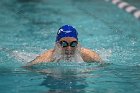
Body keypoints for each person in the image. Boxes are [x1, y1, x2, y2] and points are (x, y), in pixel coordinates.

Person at [27, 25, 102, 66]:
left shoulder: (88, 55)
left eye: (73, 44)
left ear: (78, 44)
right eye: (64, 44)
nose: (69, 48)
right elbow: (27, 68)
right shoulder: (47, 58)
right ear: (57, 44)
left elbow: (104, 65)